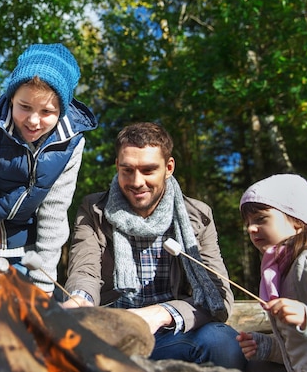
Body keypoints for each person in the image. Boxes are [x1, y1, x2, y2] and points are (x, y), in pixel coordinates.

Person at [62, 122, 246, 370]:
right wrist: (79, 299)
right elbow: (85, 271)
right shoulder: (93, 210)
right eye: (127, 170)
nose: (137, 182)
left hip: (173, 332)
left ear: (168, 167)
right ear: (117, 165)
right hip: (112, 332)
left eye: (148, 170)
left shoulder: (198, 216)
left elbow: (218, 293)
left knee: (221, 341)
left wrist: (161, 314)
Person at [0, 43, 97, 294]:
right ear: (12, 98)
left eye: (47, 111)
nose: (33, 121)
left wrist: (43, 286)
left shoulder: (71, 144)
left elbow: (54, 214)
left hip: (31, 254)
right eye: (24, 107)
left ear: (62, 110)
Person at [236, 174, 307, 371]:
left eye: (260, 219)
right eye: (248, 223)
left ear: (298, 222)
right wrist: (270, 347)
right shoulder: (283, 268)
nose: (251, 229)